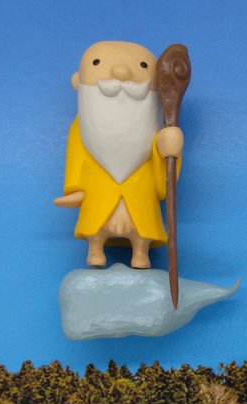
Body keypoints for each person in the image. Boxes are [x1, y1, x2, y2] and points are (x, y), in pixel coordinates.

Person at [54, 41, 183, 268]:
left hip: (141, 189)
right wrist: (74, 188)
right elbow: (76, 155)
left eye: (142, 66)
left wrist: (169, 145)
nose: (121, 72)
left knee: (142, 226)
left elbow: (163, 173)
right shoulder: (81, 126)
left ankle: (141, 254)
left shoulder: (155, 126)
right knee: (96, 224)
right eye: (97, 63)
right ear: (77, 81)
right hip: (97, 189)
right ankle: (95, 250)